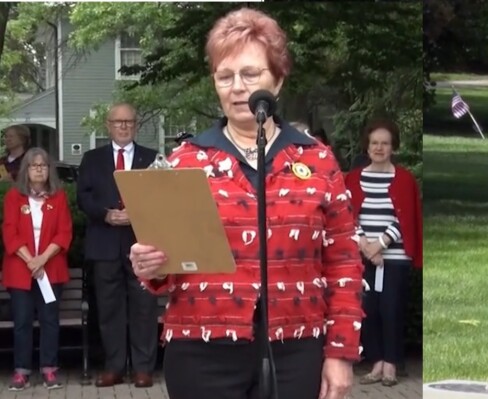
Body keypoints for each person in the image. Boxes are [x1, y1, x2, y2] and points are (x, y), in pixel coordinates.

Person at [127, 8, 363, 399]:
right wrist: (151, 265)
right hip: (202, 350)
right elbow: (169, 267)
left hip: (296, 347)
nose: (237, 87)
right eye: (225, 76)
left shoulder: (317, 159)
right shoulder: (186, 161)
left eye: (250, 75)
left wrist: (341, 352)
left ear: (279, 79)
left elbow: (344, 261)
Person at [76, 102, 160, 388]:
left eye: (128, 122)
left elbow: (163, 197)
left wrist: (136, 214)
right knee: (109, 309)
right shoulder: (92, 158)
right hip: (105, 243)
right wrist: (106, 214)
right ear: (108, 126)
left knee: (143, 307)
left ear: (136, 125)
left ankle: (143, 368)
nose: (123, 127)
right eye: (118, 122)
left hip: (142, 244)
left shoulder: (152, 158)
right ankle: (113, 366)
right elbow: (83, 197)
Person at [344, 119, 422, 387]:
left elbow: (406, 217)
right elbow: (346, 215)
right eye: (374, 143)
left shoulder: (404, 179)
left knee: (392, 310)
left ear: (393, 147)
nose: (379, 148)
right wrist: (365, 246)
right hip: (362, 255)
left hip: (395, 257)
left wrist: (381, 245)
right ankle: (376, 362)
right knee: (369, 310)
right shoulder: (353, 178)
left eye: (385, 143)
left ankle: (391, 365)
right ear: (367, 146)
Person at [2, 148, 72, 391]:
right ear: (26, 170)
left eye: (43, 165)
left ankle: (49, 369)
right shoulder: (14, 197)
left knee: (49, 320)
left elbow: (64, 232)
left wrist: (42, 258)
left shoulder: (59, 197)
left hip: (50, 269)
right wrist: (30, 259)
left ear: (49, 170)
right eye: (34, 165)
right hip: (20, 270)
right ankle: (21, 371)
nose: (39, 169)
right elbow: (9, 232)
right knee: (22, 321)